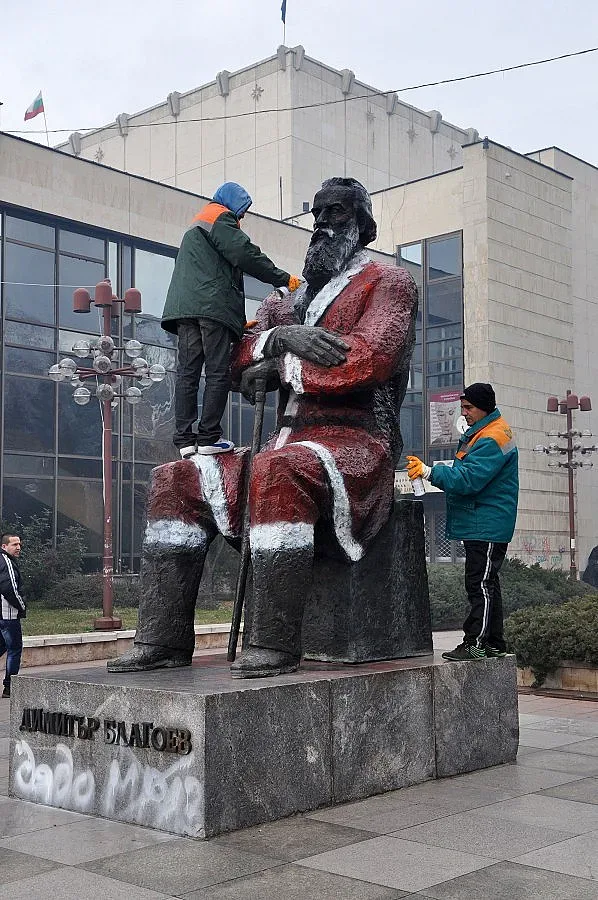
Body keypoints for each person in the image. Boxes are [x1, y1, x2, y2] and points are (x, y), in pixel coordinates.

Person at [109, 176, 418, 678]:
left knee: (279, 471)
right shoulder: (286, 302)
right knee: (175, 479)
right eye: (316, 215)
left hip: (355, 443)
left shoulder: (388, 282)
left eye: (335, 214)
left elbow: (367, 358)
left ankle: (273, 642)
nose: (321, 225)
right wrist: (280, 339)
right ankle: (161, 639)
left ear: (362, 224)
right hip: (284, 444)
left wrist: (278, 366)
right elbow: (231, 359)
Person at [162, 181, 303, 458]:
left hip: (186, 310)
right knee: (217, 372)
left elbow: (210, 272)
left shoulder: (198, 223)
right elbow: (244, 254)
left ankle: (185, 441)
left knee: (188, 373)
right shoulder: (220, 217)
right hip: (210, 310)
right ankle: (208, 437)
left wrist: (237, 324)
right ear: (233, 204)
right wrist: (283, 278)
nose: (242, 218)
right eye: (242, 212)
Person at [406, 383, 519, 661]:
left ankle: (476, 644)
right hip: (484, 521)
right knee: (487, 583)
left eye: (468, 408)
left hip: (486, 523)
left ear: (484, 407)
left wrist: (430, 471)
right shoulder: (485, 432)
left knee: (479, 585)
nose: (464, 413)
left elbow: (468, 480)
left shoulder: (491, 438)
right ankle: (493, 642)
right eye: (462, 408)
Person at [0, 533, 26, 698]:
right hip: (8, 614)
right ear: (4, 546)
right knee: (14, 648)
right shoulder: (6, 562)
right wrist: (22, 606)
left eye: (19, 545)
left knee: (2, 646)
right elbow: (10, 588)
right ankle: (10, 686)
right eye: (14, 544)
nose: (18, 548)